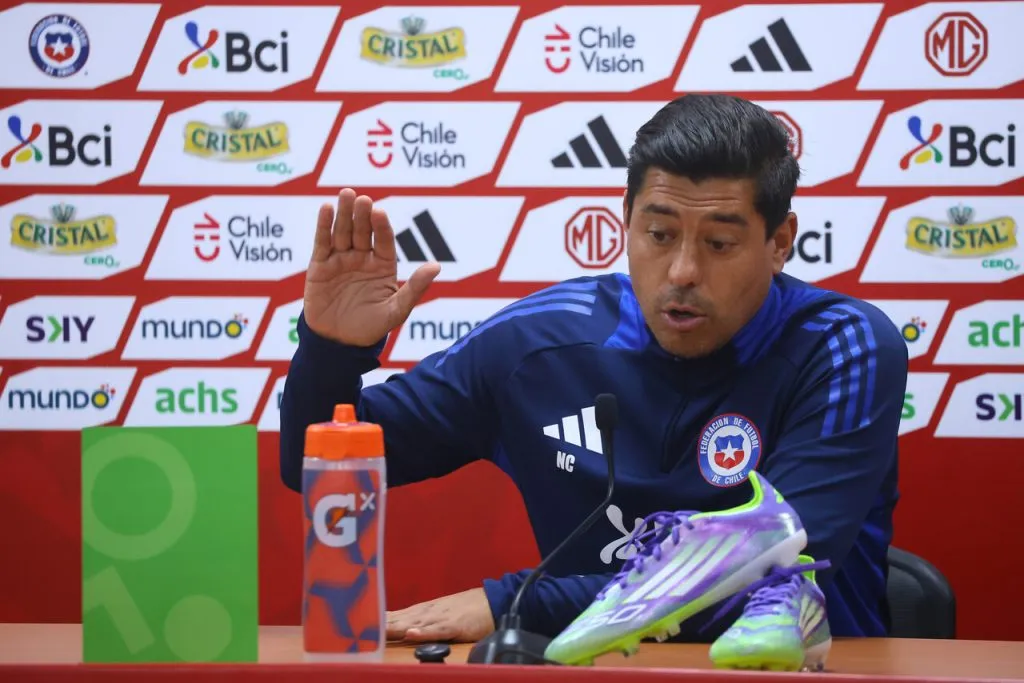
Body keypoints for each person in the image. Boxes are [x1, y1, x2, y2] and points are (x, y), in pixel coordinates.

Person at [280, 94, 908, 646]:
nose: (684, 271)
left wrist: (515, 604)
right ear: (626, 220)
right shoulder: (541, 343)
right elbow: (313, 469)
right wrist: (330, 350)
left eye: (719, 244)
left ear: (779, 241)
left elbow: (769, 566)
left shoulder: (843, 347)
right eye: (659, 234)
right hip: (596, 667)